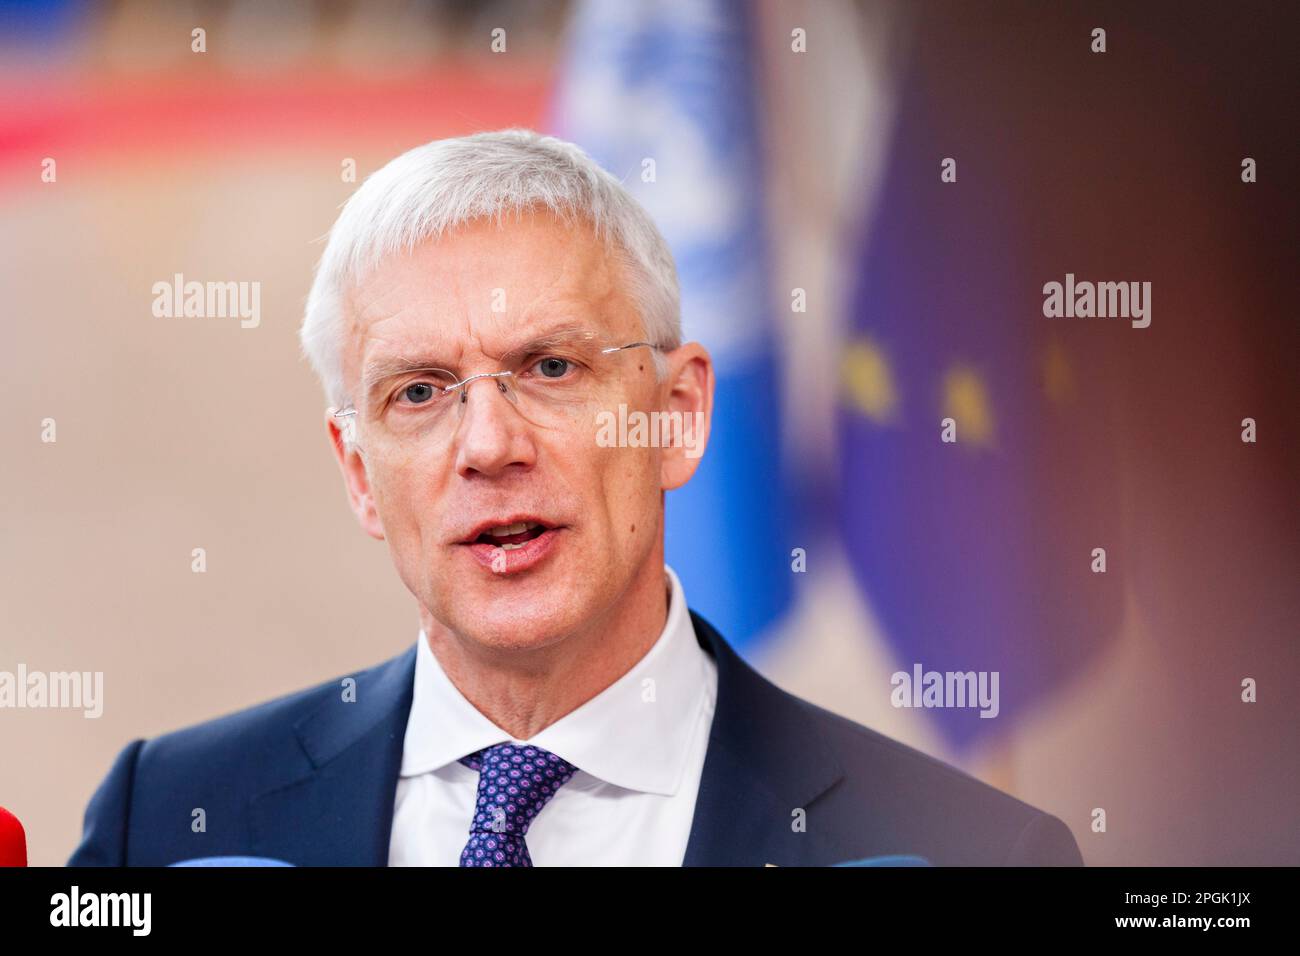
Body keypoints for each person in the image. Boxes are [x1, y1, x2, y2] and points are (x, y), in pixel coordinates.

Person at [69, 129, 1082, 867]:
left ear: (677, 416)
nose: (488, 446)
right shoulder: (163, 821)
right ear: (358, 471)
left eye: (550, 368)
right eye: (418, 392)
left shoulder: (971, 853)